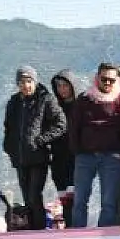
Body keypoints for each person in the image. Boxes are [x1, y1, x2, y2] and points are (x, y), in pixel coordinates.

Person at [3, 66, 67, 231]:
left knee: (34, 196)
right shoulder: (14, 102)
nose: (26, 86)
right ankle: (30, 228)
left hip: (38, 157)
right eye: (23, 82)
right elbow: (8, 128)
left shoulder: (45, 99)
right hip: (20, 158)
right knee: (26, 197)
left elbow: (61, 124)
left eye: (29, 81)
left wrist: (41, 140)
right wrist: (9, 147)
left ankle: (39, 230)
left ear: (35, 81)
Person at [69, 63, 120, 227]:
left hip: (111, 158)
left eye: (112, 80)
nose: (108, 83)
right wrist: (77, 150)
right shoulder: (84, 99)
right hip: (85, 156)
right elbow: (74, 126)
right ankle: (77, 235)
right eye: (104, 79)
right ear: (97, 78)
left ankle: (103, 237)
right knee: (80, 200)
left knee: (109, 202)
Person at [49, 69, 81, 227]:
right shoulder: (53, 108)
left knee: (75, 198)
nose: (62, 90)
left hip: (76, 160)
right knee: (64, 200)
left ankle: (77, 229)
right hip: (58, 160)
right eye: (59, 86)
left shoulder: (81, 106)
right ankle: (69, 228)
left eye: (65, 85)